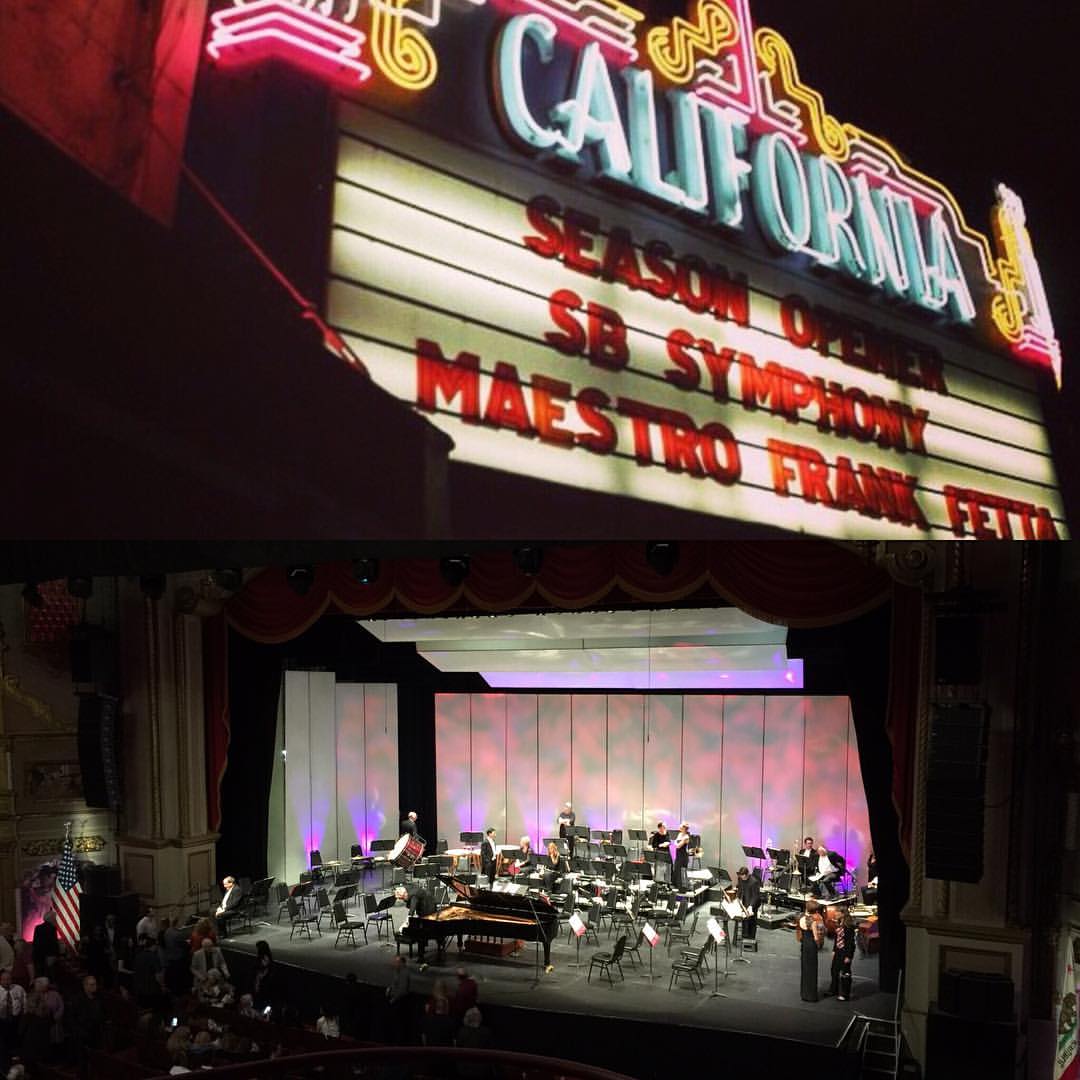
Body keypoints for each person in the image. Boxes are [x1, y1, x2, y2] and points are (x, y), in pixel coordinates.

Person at [65, 974, 105, 1072]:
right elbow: (71, 1019)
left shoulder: (98, 998)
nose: (94, 987)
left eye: (95, 984)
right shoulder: (77, 999)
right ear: (85, 986)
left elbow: (101, 1014)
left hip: (95, 1034)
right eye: (92, 985)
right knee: (82, 1062)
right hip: (82, 1035)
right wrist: (79, 1032)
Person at [797, 900, 825, 1002]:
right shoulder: (813, 921)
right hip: (811, 945)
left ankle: (804, 994)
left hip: (804, 944)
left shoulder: (801, 918)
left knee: (805, 969)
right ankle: (811, 996)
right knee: (812, 970)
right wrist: (819, 945)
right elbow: (816, 937)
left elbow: (799, 933)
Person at [0, 968, 27, 1071]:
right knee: (3, 1044)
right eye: (4, 979)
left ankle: (15, 1063)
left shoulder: (18, 988)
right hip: (1, 1021)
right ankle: (4, 1065)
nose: (7, 981)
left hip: (16, 1020)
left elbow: (24, 1003)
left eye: (9, 979)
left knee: (15, 1042)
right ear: (0, 980)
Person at [826, 911, 856, 1000]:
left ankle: (845, 994)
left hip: (845, 951)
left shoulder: (849, 927)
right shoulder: (839, 923)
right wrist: (834, 950)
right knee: (834, 970)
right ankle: (833, 990)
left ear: (843, 914)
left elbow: (851, 943)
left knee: (845, 973)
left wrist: (849, 956)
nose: (835, 914)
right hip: (838, 950)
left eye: (838, 912)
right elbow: (837, 938)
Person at [385, 955, 411, 1044]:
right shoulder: (397, 971)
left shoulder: (405, 973)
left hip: (400, 1001)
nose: (394, 964)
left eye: (397, 962)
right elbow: (394, 983)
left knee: (398, 1024)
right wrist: (389, 989)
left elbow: (402, 990)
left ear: (402, 963)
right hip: (394, 998)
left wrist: (394, 999)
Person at [735, 866, 760, 942]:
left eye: (744, 877)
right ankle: (744, 936)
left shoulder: (754, 882)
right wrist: (738, 898)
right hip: (745, 900)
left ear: (747, 874)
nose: (743, 879)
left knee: (752, 921)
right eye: (742, 877)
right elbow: (740, 888)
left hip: (754, 902)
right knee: (744, 919)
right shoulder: (740, 878)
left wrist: (751, 906)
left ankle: (751, 939)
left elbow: (755, 896)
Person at [251, 940, 276, 1011]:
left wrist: (259, 978)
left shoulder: (266, 959)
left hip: (264, 990)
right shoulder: (260, 961)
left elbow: (264, 968)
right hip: (259, 987)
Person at [673, 822, 691, 890]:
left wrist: (676, 844)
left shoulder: (686, 837)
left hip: (683, 856)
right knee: (677, 869)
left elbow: (678, 846)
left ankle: (682, 887)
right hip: (678, 855)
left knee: (681, 871)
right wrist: (676, 844)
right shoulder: (680, 834)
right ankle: (677, 885)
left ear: (684, 828)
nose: (679, 828)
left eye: (681, 827)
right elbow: (675, 842)